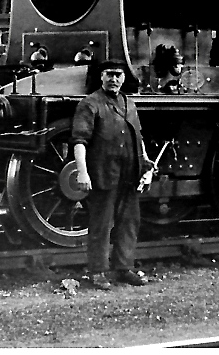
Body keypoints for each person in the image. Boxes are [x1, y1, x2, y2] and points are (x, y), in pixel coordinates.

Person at [72, 58, 154, 290]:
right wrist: (82, 172)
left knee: (129, 222)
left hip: (129, 173)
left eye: (118, 75)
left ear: (124, 78)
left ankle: (123, 267)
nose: (114, 79)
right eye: (109, 74)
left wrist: (145, 161)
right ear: (101, 77)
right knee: (101, 224)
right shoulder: (89, 104)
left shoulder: (129, 103)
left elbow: (137, 136)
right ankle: (97, 271)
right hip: (103, 173)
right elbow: (80, 141)